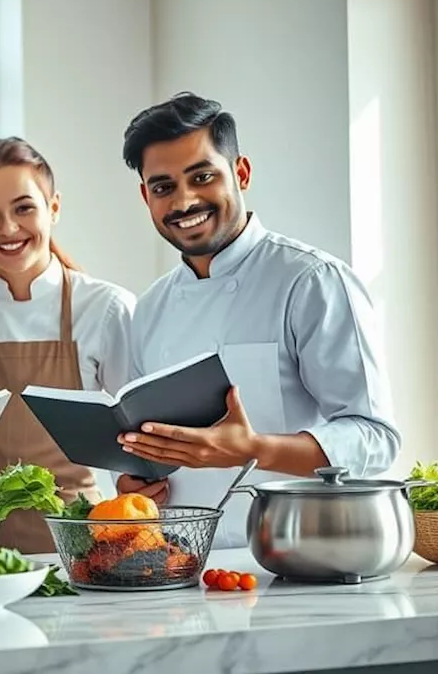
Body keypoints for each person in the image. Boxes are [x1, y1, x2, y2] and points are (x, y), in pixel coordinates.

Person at [115, 92, 402, 548]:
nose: (184, 201)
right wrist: (136, 483)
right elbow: (148, 444)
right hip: (175, 565)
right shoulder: (150, 307)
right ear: (145, 196)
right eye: (163, 187)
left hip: (290, 558)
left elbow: (375, 437)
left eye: (202, 176)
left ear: (241, 172)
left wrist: (252, 450)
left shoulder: (311, 281)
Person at [0, 137, 137, 554]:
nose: (8, 228)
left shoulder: (105, 307)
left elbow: (131, 443)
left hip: (77, 545)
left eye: (24, 208)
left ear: (54, 208)